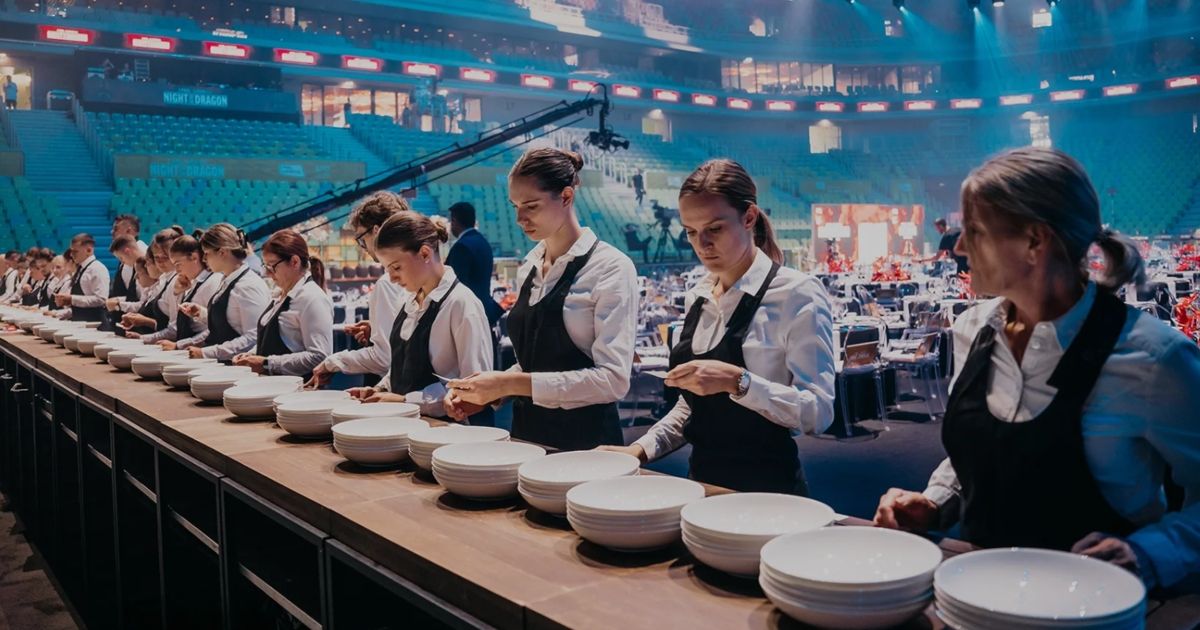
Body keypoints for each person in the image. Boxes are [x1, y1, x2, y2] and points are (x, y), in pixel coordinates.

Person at [873, 147, 1200, 591]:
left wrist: (1149, 553)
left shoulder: (1153, 357)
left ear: (1034, 242)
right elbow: (985, 451)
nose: (961, 249)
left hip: (1092, 608)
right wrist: (934, 503)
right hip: (977, 595)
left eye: (975, 231)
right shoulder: (972, 329)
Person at [600, 159, 836, 495]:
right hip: (703, 487)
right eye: (691, 232)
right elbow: (692, 406)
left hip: (770, 493)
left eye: (715, 229)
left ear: (749, 217)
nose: (702, 244)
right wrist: (639, 450)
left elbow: (818, 412)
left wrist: (737, 382)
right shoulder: (697, 294)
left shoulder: (796, 293)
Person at [446, 148, 638, 451]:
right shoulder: (530, 266)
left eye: (531, 206)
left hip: (588, 447)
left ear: (565, 196)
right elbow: (534, 360)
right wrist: (491, 392)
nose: (520, 218)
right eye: (515, 206)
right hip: (527, 438)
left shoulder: (611, 267)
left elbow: (613, 380)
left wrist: (509, 384)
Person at [348, 212, 494, 422]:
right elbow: (403, 366)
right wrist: (379, 389)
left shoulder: (461, 304)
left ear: (425, 254)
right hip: (406, 426)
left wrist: (404, 400)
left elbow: (474, 390)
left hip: (448, 434)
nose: (392, 277)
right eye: (387, 269)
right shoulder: (406, 300)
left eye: (396, 267)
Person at [307, 193, 408, 388]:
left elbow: (384, 359)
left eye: (362, 239)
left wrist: (333, 362)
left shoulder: (387, 283)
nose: (363, 248)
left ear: (377, 231)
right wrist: (378, 329)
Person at [232, 230, 332, 377]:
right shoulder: (280, 295)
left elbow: (319, 356)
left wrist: (266, 363)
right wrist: (249, 355)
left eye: (272, 266)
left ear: (295, 262)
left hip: (294, 392)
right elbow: (268, 344)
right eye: (265, 267)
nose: (267, 274)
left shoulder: (312, 298)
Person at [182, 224, 272, 361]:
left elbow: (254, 337)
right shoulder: (228, 279)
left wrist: (207, 353)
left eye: (207, 254)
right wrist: (202, 313)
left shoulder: (247, 286)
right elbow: (232, 321)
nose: (204, 260)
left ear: (222, 252)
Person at [138, 233, 222, 349]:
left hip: (203, 351)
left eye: (178, 264)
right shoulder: (190, 283)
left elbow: (215, 329)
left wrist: (179, 345)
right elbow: (176, 324)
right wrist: (178, 293)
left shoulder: (212, 283)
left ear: (194, 257)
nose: (177, 270)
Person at [445, 201, 502, 328]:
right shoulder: (483, 242)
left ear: (454, 221)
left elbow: (456, 286)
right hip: (486, 309)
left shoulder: (461, 247)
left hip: (468, 315)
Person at [54, 233, 109, 322]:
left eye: (75, 251)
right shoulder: (80, 269)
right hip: (80, 322)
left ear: (88, 250)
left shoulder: (97, 269)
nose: (71, 255)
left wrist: (72, 299)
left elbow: (101, 299)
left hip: (95, 325)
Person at [103, 234, 145, 330]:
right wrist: (118, 300)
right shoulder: (131, 267)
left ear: (127, 251)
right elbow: (134, 296)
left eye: (121, 258)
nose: (122, 262)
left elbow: (144, 303)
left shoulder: (147, 267)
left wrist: (119, 304)